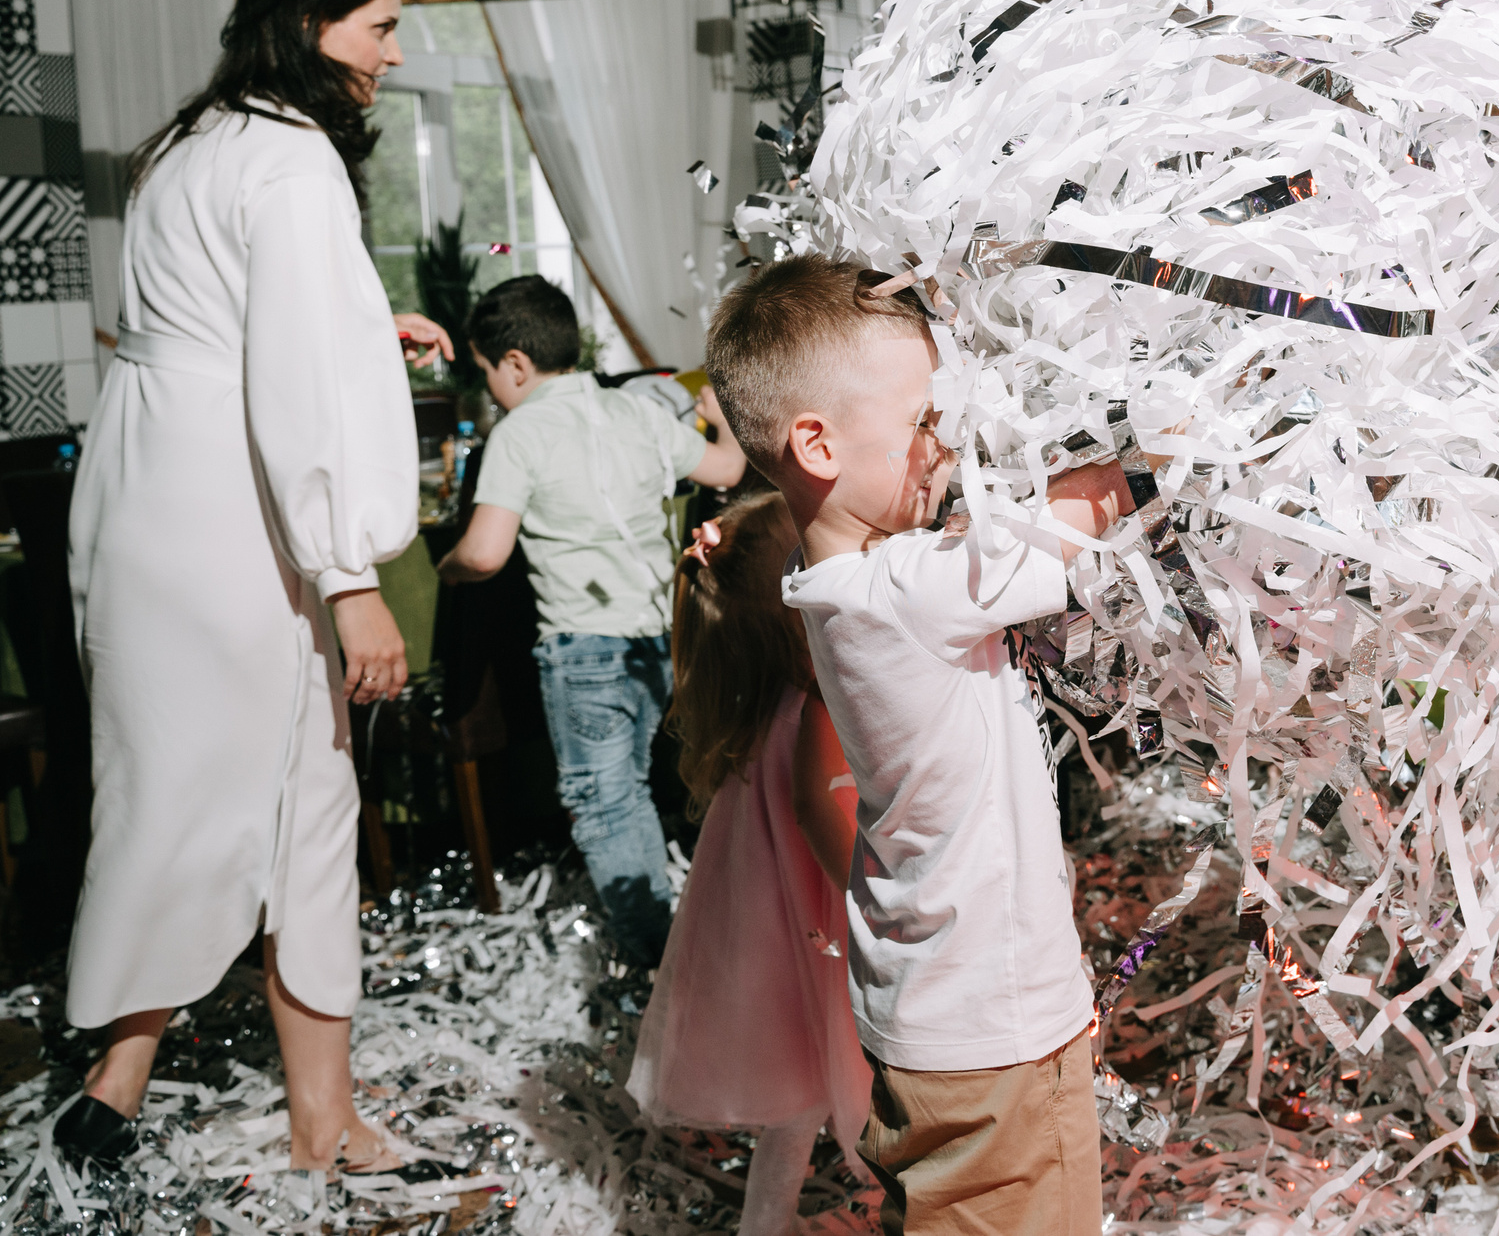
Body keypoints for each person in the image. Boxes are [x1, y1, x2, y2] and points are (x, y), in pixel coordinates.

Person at [57, 0, 453, 1170]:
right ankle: (319, 1119)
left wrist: (357, 322)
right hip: (239, 514)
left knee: (175, 789)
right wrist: (351, 581)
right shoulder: (290, 163)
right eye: (379, 28)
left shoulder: (188, 141)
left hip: (145, 491)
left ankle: (116, 1086)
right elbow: (284, 379)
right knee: (286, 800)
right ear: (311, 24)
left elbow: (218, 319)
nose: (393, 54)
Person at [703, 258, 1148, 1236]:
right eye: (924, 423)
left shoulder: (846, 587)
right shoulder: (899, 590)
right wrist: (1148, 441)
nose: (944, 448)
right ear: (816, 445)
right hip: (993, 1031)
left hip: (943, 1017)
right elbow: (1068, 526)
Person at [436, 276, 748, 965]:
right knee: (667, 783)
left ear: (514, 363)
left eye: (488, 373)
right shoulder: (635, 412)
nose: (490, 388)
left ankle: (658, 965)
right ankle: (707, 936)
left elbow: (485, 554)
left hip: (585, 650)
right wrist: (719, 411)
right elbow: (727, 465)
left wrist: (447, 567)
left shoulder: (519, 432)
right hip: (661, 641)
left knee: (607, 802)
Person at [630, 490, 869, 1236]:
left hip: (770, 931)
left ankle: (768, 1220)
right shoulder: (814, 711)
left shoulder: (767, 709)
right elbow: (822, 814)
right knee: (855, 1069)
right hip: (827, 918)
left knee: (795, 1083)